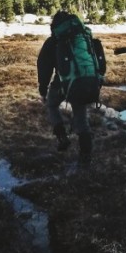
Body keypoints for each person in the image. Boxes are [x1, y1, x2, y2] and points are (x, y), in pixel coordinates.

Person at [36, 10, 104, 162]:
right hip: (84, 81)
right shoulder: (84, 37)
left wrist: (43, 87)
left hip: (62, 83)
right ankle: (86, 155)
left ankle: (62, 137)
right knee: (81, 117)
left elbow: (44, 65)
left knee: (52, 105)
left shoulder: (54, 40)